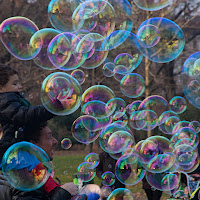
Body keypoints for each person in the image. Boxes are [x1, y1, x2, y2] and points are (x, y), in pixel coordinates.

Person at [0, 122, 100, 200]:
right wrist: (63, 193)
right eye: (49, 137)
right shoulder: (26, 180)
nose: (55, 141)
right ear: (33, 145)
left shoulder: (33, 175)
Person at [0, 64, 62, 163]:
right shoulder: (5, 102)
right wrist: (50, 108)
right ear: (1, 88)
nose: (19, 86)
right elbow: (24, 115)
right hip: (12, 151)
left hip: (19, 148)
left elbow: (32, 116)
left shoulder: (14, 100)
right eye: (14, 84)